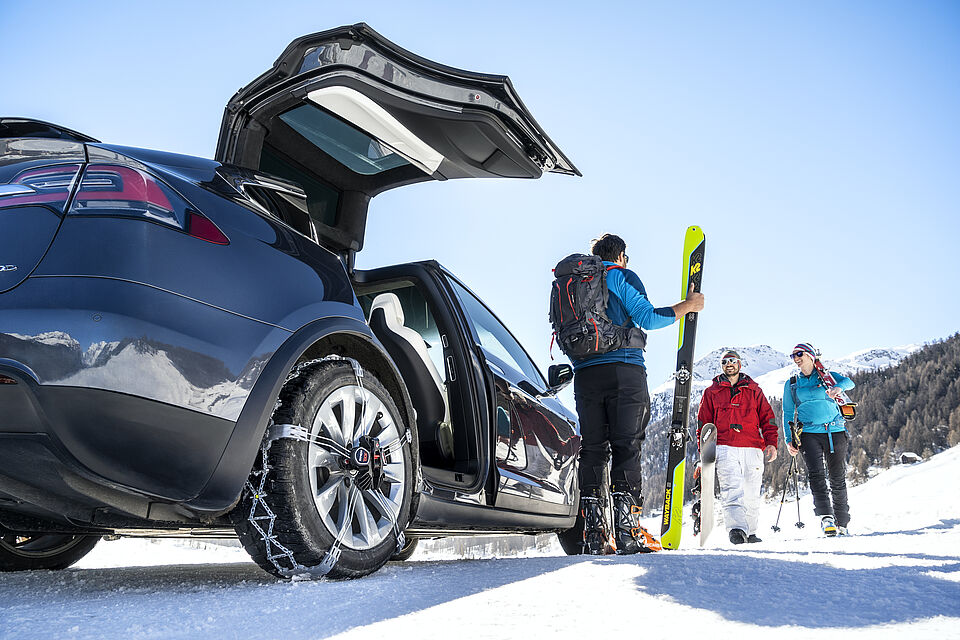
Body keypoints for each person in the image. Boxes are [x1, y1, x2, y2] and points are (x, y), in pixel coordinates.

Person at [573, 233, 704, 554]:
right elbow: (646, 317)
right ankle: (627, 531)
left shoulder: (574, 283)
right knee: (626, 447)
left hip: (585, 374)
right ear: (620, 255)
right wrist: (688, 306)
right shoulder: (618, 274)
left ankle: (593, 534)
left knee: (592, 448)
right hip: (624, 371)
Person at [696, 349, 779, 544]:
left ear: (739, 364)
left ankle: (750, 532)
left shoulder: (754, 390)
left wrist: (771, 443)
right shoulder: (711, 392)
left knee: (752, 491)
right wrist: (704, 451)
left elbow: (769, 419)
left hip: (753, 447)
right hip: (725, 447)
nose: (728, 364)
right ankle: (736, 530)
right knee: (732, 489)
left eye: (732, 361)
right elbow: (703, 423)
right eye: (724, 362)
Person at [782, 342, 855, 536]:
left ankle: (843, 522)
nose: (796, 358)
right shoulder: (792, 383)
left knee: (837, 477)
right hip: (808, 434)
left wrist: (838, 388)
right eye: (793, 356)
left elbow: (849, 382)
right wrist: (789, 439)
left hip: (835, 432)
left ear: (811, 356)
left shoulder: (827, 377)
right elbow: (788, 412)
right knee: (816, 475)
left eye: (800, 354)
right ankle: (826, 518)